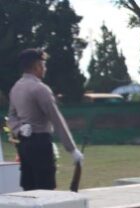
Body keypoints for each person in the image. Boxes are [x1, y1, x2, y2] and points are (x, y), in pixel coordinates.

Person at [6, 48, 83, 190]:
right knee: (45, 188)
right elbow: (56, 119)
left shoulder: (15, 88)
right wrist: (72, 149)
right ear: (37, 66)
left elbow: (11, 117)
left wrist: (18, 128)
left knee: (29, 188)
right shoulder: (40, 89)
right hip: (41, 142)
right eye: (43, 65)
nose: (45, 68)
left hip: (23, 144)